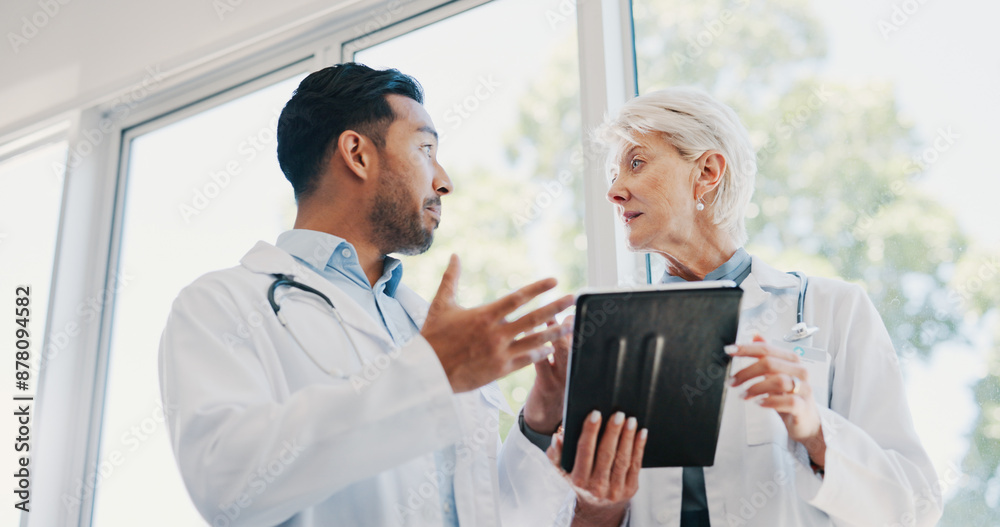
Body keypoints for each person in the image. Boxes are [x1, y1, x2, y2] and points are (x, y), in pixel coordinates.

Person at [501, 87, 942, 526]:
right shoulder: (604, 335)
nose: (615, 191)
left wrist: (816, 431)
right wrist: (600, 507)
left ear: (707, 171)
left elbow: (916, 506)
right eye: (613, 175)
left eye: (636, 163)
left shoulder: (834, 310)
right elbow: (517, 513)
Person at [158, 63, 575, 526]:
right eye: (425, 149)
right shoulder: (222, 305)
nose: (444, 182)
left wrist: (538, 423)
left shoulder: (419, 321)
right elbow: (227, 483)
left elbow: (483, 511)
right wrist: (430, 373)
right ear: (357, 153)